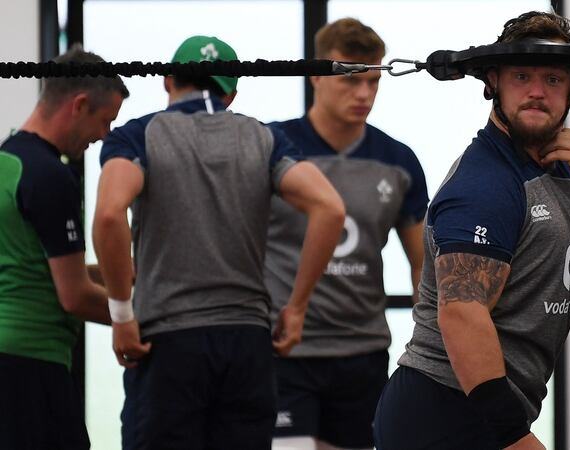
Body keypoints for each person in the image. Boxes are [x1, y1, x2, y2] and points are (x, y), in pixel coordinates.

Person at [373, 11, 570, 450]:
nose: (537, 92)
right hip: (443, 411)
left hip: (489, 412)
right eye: (522, 76)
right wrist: (515, 437)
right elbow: (462, 314)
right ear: (492, 84)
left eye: (554, 80)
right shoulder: (484, 183)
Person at [92, 35, 345, 450]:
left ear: (168, 81)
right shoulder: (263, 139)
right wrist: (296, 309)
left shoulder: (138, 136)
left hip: (168, 343)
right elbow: (330, 208)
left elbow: (107, 214)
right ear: (231, 94)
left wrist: (121, 316)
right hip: (247, 344)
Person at [265, 18, 429, 450]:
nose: (364, 94)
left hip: (363, 353)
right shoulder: (272, 147)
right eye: (351, 80)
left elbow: (423, 266)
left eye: (373, 81)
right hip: (285, 351)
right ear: (317, 75)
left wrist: (430, 350)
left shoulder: (398, 161)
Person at [0, 46, 128, 449]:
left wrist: (125, 273)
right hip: (32, 364)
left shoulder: (9, 160)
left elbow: (35, 264)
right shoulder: (50, 176)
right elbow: (73, 296)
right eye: (105, 121)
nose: (105, 135)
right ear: (80, 104)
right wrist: (144, 318)